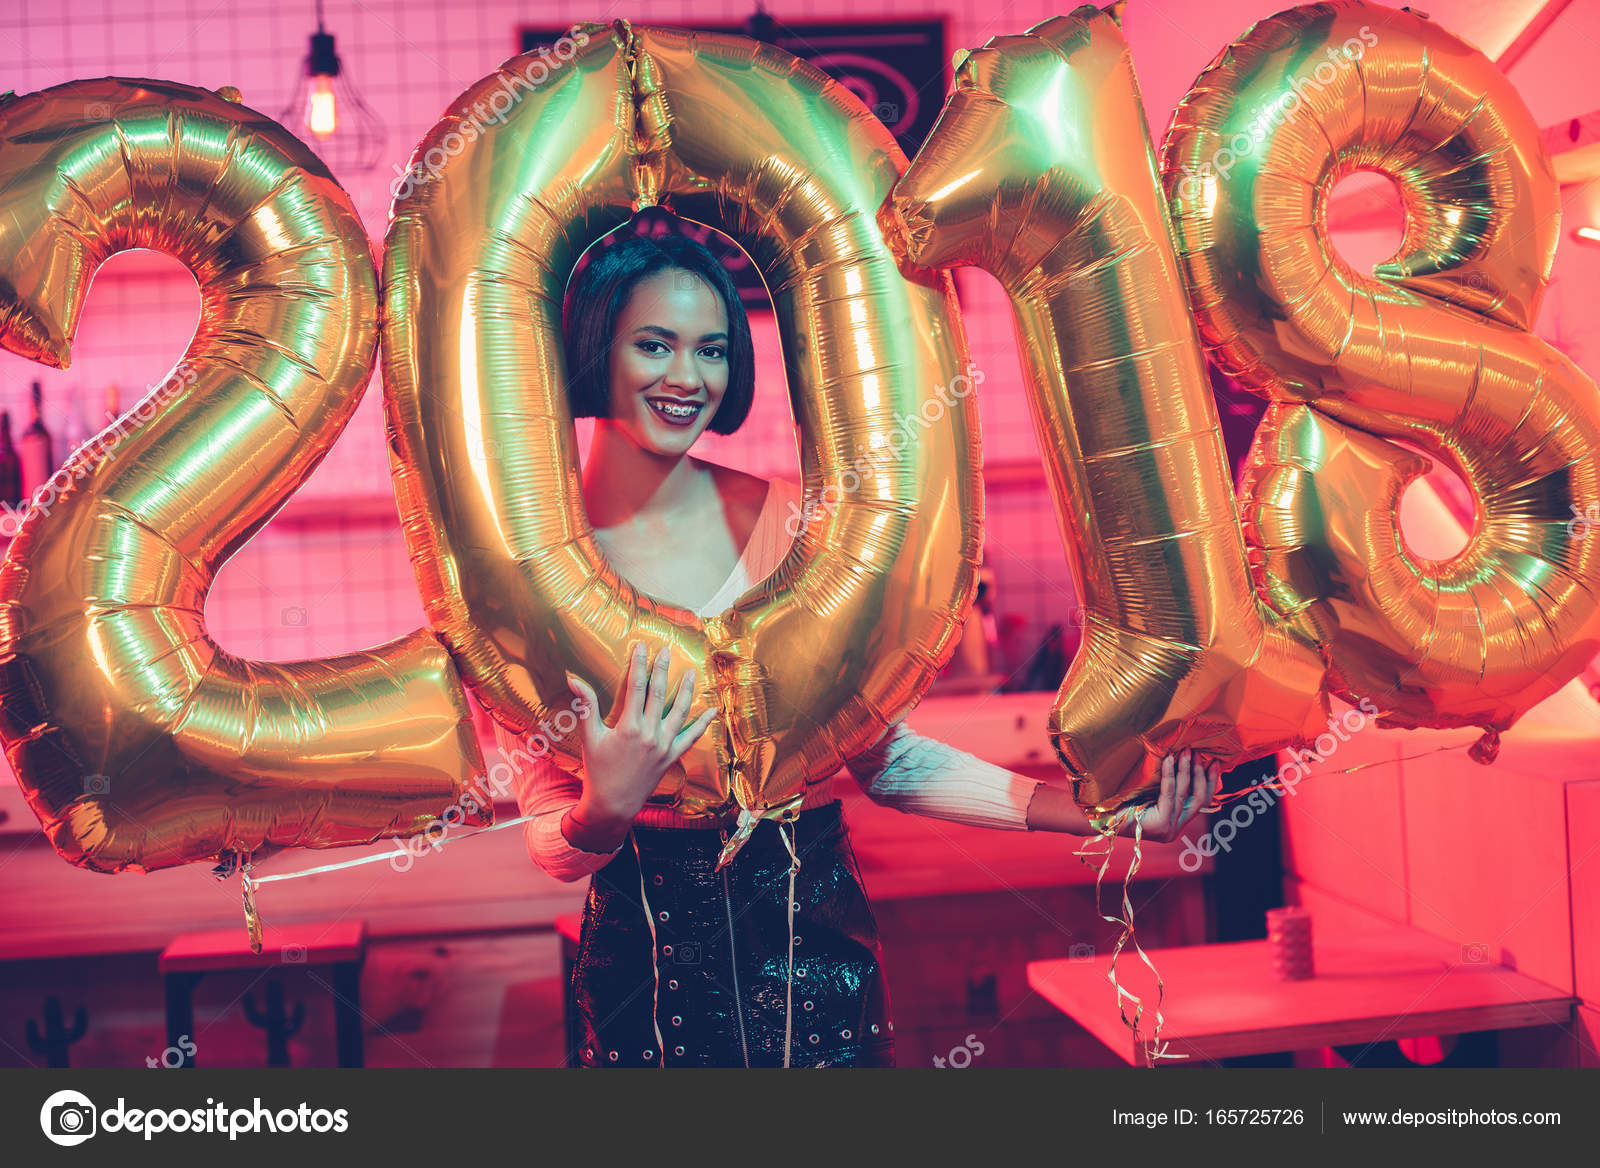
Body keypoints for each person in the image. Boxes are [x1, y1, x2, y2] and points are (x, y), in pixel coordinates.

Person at [497, 228, 1220, 1069]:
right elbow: (548, 832)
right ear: (595, 347)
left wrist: (1108, 815)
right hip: (646, 987)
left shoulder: (787, 525)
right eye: (654, 345)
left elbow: (882, 758)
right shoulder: (536, 561)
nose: (687, 379)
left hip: (820, 959)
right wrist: (606, 808)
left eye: (713, 350)